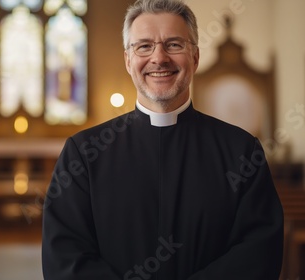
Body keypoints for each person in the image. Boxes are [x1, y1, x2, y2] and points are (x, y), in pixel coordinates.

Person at [41, 0, 284, 279]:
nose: (159, 58)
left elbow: (258, 253)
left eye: (174, 44)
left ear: (195, 57)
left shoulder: (242, 151)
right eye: (144, 46)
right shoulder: (83, 154)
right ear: (128, 60)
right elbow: (65, 257)